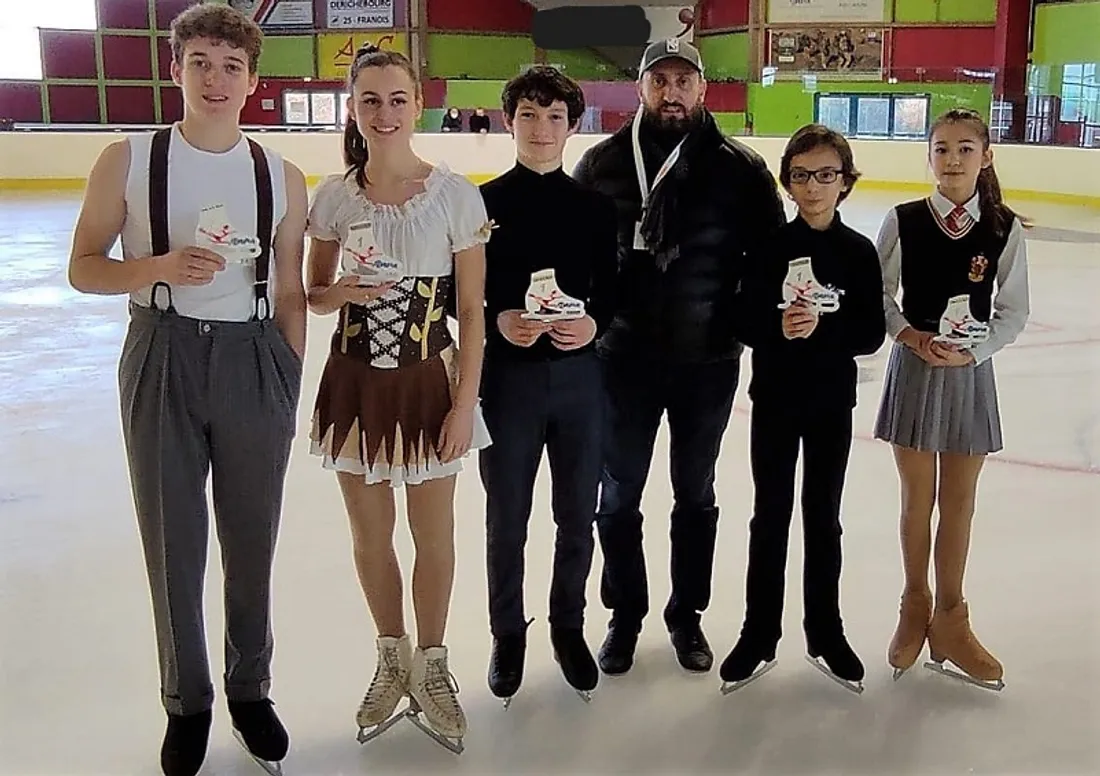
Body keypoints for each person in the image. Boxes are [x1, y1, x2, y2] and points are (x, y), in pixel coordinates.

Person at [66, 4, 307, 775]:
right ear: (175, 69)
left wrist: (287, 380)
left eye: (231, 66)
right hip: (162, 351)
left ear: (253, 81)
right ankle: (188, 700)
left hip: (255, 355)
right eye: (200, 62)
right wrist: (156, 269)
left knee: (251, 536)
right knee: (171, 539)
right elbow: (83, 266)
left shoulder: (281, 175)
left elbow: (294, 290)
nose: (215, 78)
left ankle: (250, 689)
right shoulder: (129, 159)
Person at [571, 38, 785, 675]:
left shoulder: (741, 171)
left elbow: (770, 265)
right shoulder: (603, 165)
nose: (671, 93)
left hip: (707, 363)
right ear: (640, 87)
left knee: (696, 493)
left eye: (683, 81)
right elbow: (577, 261)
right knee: (618, 494)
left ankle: (686, 616)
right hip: (621, 361)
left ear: (703, 89)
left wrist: (746, 326)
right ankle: (625, 614)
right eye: (659, 79)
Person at [304, 44, 492, 751]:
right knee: (369, 535)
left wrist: (464, 403)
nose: (384, 113)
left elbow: (470, 313)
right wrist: (338, 293)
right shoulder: (333, 196)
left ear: (419, 104)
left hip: (426, 381)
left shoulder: (453, 196)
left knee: (434, 534)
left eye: (397, 99)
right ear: (353, 107)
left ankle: (434, 663)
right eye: (370, 100)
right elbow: (313, 296)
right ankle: (391, 656)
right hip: (352, 382)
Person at [718, 125, 886, 695]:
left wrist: (824, 324)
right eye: (801, 175)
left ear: (845, 181)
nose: (813, 187)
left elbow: (870, 333)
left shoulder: (858, 252)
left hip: (831, 402)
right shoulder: (767, 247)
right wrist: (776, 325)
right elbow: (740, 319)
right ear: (788, 183)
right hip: (775, 400)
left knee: (823, 516)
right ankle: (758, 631)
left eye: (825, 175)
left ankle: (826, 630)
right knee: (770, 516)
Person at [874, 108, 1030, 691]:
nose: (953, 159)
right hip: (915, 368)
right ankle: (915, 604)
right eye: (941, 149)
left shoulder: (1002, 227)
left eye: (966, 149)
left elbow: (1013, 309)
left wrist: (975, 351)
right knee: (919, 500)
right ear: (930, 157)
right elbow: (880, 295)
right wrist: (910, 335)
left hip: (970, 373)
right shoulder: (905, 220)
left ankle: (952, 618)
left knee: (959, 504)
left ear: (985, 156)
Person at [478, 66, 618, 706]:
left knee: (575, 517)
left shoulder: (593, 205)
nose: (541, 128)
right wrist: (497, 317)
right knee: (506, 519)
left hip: (578, 382)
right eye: (529, 115)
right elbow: (459, 291)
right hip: (508, 382)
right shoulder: (483, 203)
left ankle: (568, 626)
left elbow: (612, 291)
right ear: (510, 122)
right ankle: (508, 634)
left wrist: (592, 322)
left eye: (555, 117)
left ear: (572, 124)